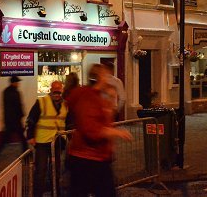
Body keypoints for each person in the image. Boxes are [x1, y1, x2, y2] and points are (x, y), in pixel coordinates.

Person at [66, 64, 132, 197]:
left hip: (98, 157)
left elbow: (105, 119)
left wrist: (110, 103)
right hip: (86, 158)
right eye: (106, 76)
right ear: (99, 77)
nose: (109, 79)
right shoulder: (87, 97)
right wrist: (117, 132)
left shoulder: (98, 97)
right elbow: (91, 130)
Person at [26, 81, 68, 197]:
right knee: (40, 171)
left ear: (62, 91)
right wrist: (30, 136)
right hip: (42, 142)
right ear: (51, 90)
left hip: (57, 142)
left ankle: (56, 192)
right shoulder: (42, 102)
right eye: (55, 90)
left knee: (56, 171)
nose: (57, 93)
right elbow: (31, 119)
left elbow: (67, 122)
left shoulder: (65, 105)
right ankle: (37, 194)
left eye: (59, 91)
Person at [0, 76, 28, 166]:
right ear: (14, 83)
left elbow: (7, 107)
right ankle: (26, 156)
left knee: (4, 141)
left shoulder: (5, 92)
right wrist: (22, 115)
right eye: (17, 82)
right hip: (15, 120)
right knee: (23, 140)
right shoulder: (16, 93)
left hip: (8, 121)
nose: (18, 84)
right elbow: (18, 106)